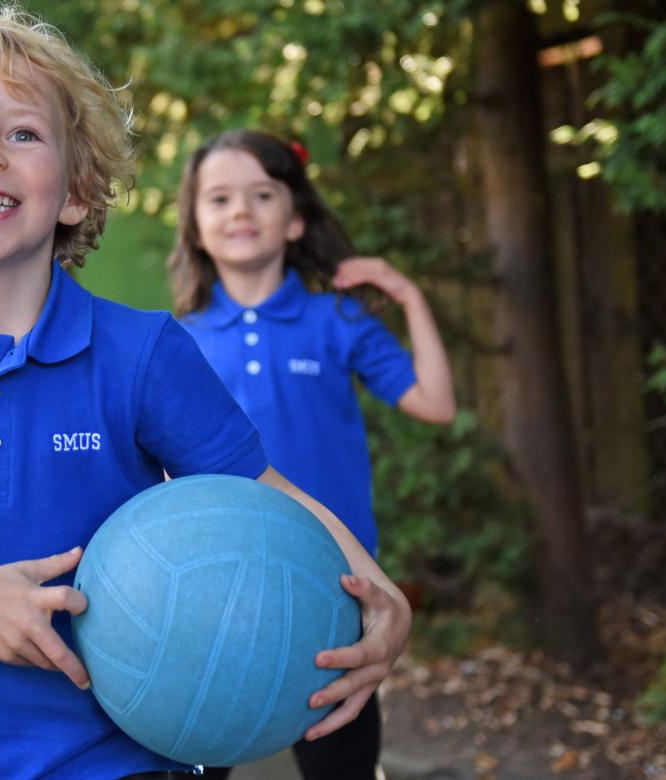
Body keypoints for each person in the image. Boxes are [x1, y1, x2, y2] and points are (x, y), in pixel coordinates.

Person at [0, 7, 412, 779]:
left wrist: (383, 591)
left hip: (120, 758)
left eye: (21, 133)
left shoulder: (143, 352)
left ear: (77, 190)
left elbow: (267, 493)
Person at [168, 129, 456, 780]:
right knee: (197, 757)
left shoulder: (338, 321)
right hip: (214, 590)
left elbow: (437, 404)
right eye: (218, 199)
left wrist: (408, 296)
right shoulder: (174, 343)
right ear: (196, 227)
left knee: (340, 761)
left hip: (333, 584)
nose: (239, 211)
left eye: (261, 195)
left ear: (294, 220)